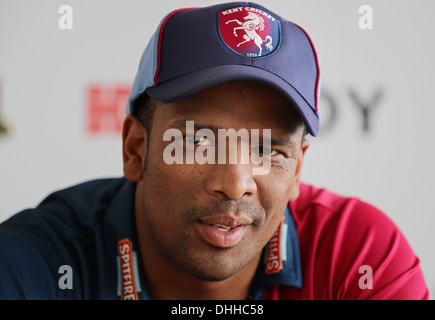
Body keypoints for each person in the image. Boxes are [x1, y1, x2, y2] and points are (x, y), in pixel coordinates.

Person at [0, 2, 429, 300]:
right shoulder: (33, 264)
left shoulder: (358, 255)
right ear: (136, 150)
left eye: (267, 149)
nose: (235, 184)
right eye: (197, 142)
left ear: (298, 170)